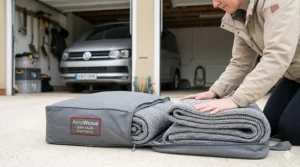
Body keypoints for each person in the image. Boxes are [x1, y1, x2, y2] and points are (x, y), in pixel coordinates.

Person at [181, 0, 300, 145]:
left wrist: (236, 100)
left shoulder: (278, 2)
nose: (215, 4)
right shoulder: (239, 16)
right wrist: (215, 92)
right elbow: (241, 63)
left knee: (292, 131)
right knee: (268, 125)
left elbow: (277, 56)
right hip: (294, 77)